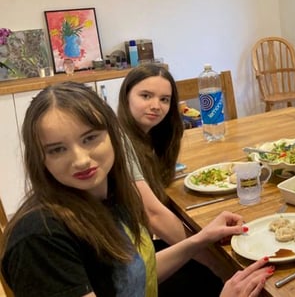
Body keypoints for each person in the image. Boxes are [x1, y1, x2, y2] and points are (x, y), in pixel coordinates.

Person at [0, 82, 272, 297]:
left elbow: (132, 275)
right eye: (57, 149)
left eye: (90, 138)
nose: (81, 159)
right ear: (40, 158)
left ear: (113, 136)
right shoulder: (39, 239)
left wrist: (198, 241)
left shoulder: (109, 194)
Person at [117, 64, 224, 296]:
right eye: (146, 96)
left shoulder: (146, 138)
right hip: (122, 262)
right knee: (212, 275)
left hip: (135, 247)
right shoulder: (120, 140)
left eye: (165, 99)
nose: (156, 105)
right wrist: (218, 264)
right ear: (126, 96)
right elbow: (154, 214)